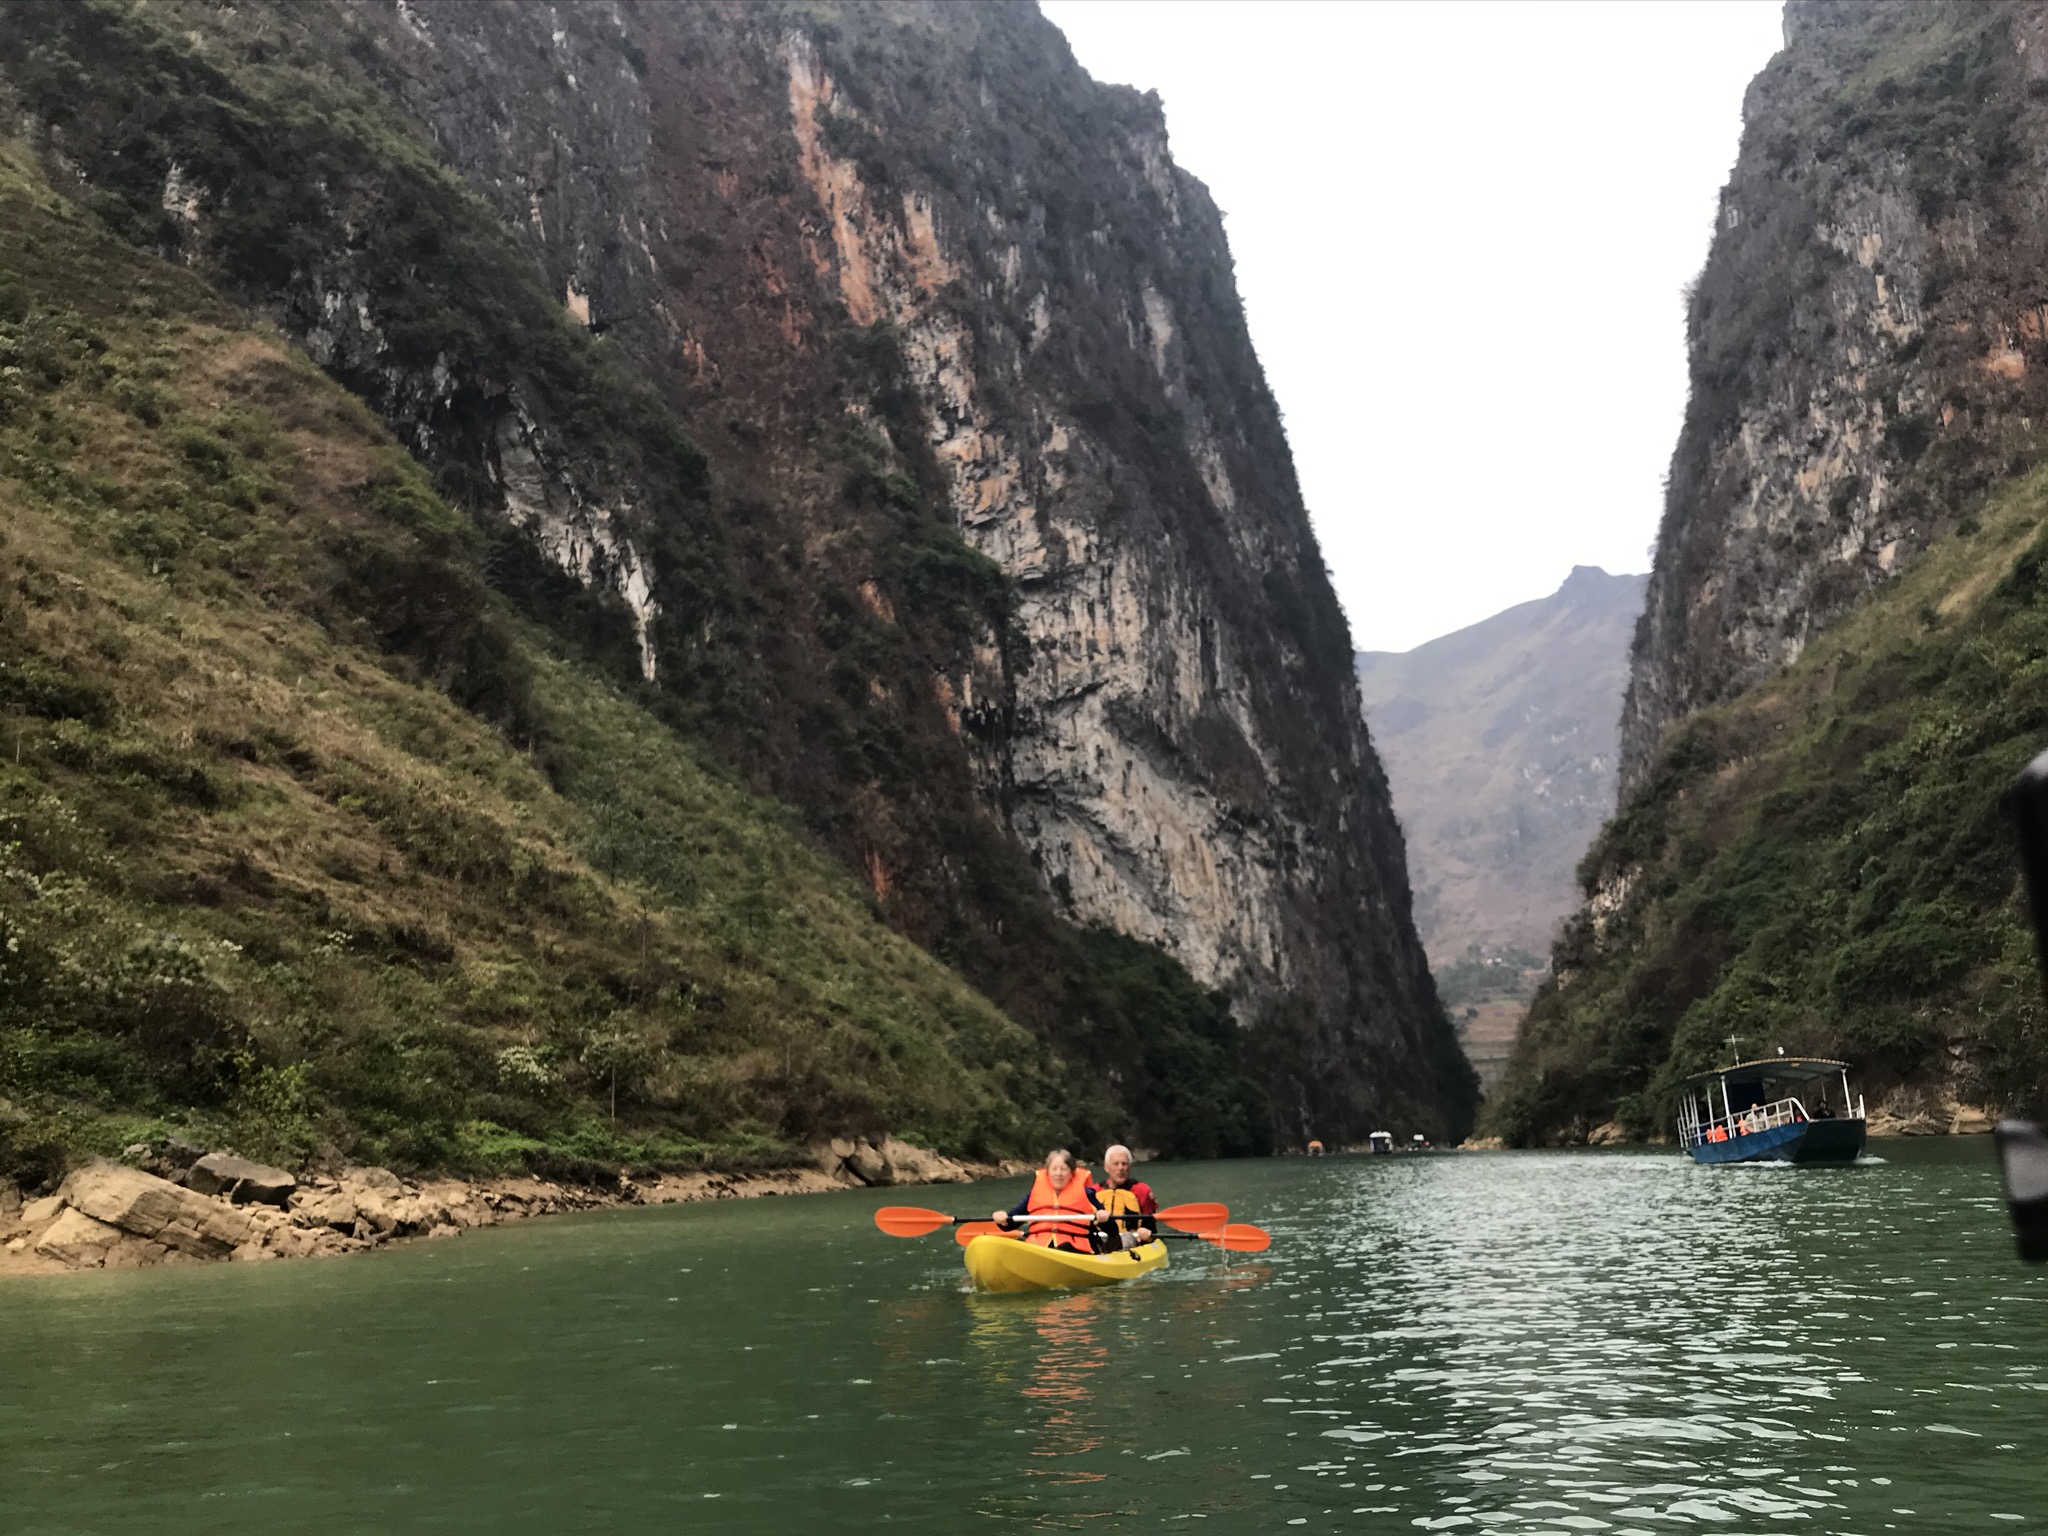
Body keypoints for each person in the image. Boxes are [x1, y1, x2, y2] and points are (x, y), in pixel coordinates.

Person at [992, 1148, 1101, 1253]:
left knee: (1065, 1247)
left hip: (1075, 1249)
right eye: (1054, 1169)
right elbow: (1009, 1225)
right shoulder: (1035, 1193)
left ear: (1071, 1173)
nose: (1058, 1173)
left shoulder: (1086, 1193)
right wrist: (1001, 1218)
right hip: (1039, 1247)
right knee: (1020, 1243)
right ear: (1047, 1172)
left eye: (1063, 1169)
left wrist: (1103, 1216)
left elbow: (1109, 1227)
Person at [1093, 1144, 1156, 1250]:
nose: (1120, 1168)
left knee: (1127, 1237)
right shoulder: (1095, 1191)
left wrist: (1147, 1235)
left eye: (1124, 1164)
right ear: (1106, 1167)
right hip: (1101, 1237)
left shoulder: (1142, 1191)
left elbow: (1150, 1225)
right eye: (1116, 1164)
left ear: (1129, 1166)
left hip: (1131, 1240)